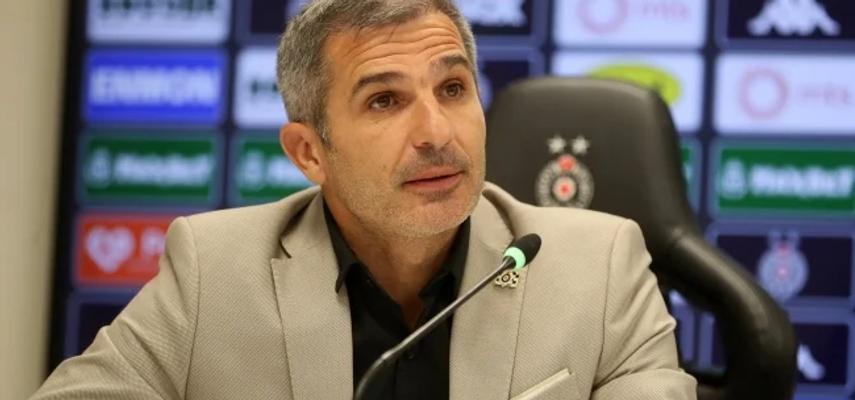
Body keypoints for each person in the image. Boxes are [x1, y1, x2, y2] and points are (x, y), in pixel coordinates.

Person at [32, 1, 696, 399]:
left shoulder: (599, 268)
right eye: (384, 100)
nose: (436, 133)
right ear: (309, 153)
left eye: (453, 89)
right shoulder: (214, 271)